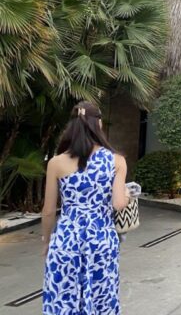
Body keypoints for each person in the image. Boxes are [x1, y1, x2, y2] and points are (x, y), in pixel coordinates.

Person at [41, 101, 129, 314]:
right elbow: (118, 204)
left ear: (72, 126)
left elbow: (49, 211)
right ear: (98, 124)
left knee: (63, 299)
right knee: (102, 299)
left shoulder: (56, 163)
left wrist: (47, 240)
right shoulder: (116, 161)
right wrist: (127, 194)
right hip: (101, 240)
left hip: (66, 240)